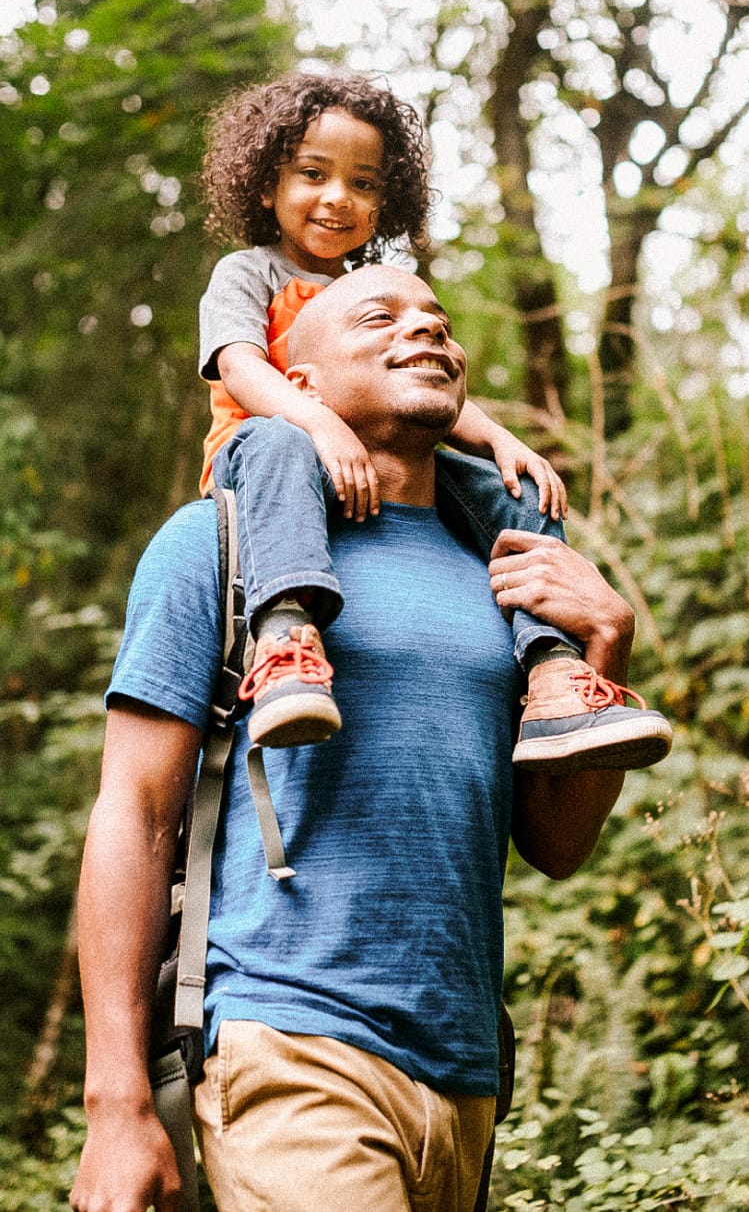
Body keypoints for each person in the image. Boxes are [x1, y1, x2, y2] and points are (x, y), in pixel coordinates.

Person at [71, 265, 664, 1212]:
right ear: (296, 385)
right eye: (380, 316)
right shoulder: (216, 544)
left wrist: (605, 643)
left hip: (468, 1074)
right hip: (286, 1040)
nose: (427, 329)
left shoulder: (507, 571)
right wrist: (116, 1102)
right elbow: (133, 812)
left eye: (439, 319)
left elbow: (556, 845)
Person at [196, 71, 671, 771]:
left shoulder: (375, 285)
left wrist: (501, 441)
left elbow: (424, 387)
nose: (338, 198)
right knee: (276, 438)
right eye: (313, 174)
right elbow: (240, 368)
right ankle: (287, 640)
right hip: (267, 466)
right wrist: (319, 424)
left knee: (513, 489)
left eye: (363, 184)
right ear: (266, 185)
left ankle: (553, 673)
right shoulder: (248, 273)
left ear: (385, 203)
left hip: (375, 466)